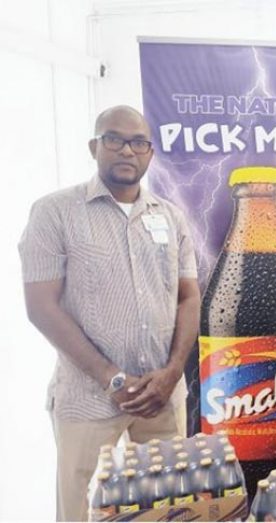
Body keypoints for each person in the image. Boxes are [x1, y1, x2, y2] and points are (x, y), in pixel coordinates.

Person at [19, 106, 200, 521]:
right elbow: (41, 307)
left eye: (138, 143)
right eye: (114, 139)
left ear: (150, 153)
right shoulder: (54, 212)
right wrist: (110, 377)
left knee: (168, 505)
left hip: (161, 394)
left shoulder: (171, 218)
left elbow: (188, 298)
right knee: (79, 507)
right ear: (94, 146)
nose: (127, 150)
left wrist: (173, 371)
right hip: (87, 396)